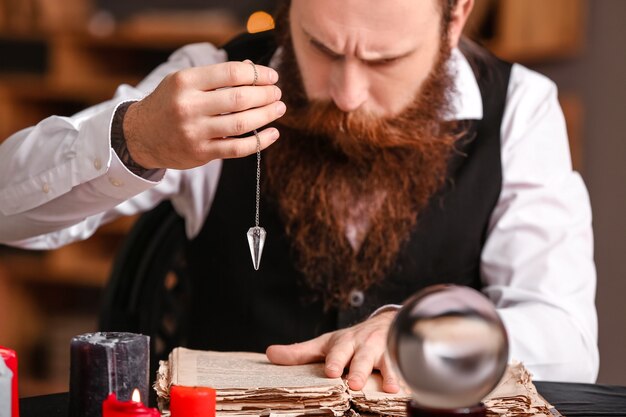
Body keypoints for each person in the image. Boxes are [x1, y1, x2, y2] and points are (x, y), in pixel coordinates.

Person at [0, 0, 598, 392]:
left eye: (386, 59)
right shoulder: (215, 77)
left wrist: (432, 333)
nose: (346, 93)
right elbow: (9, 213)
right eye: (322, 48)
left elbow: (568, 345)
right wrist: (134, 138)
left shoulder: (519, 109)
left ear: (457, 15)